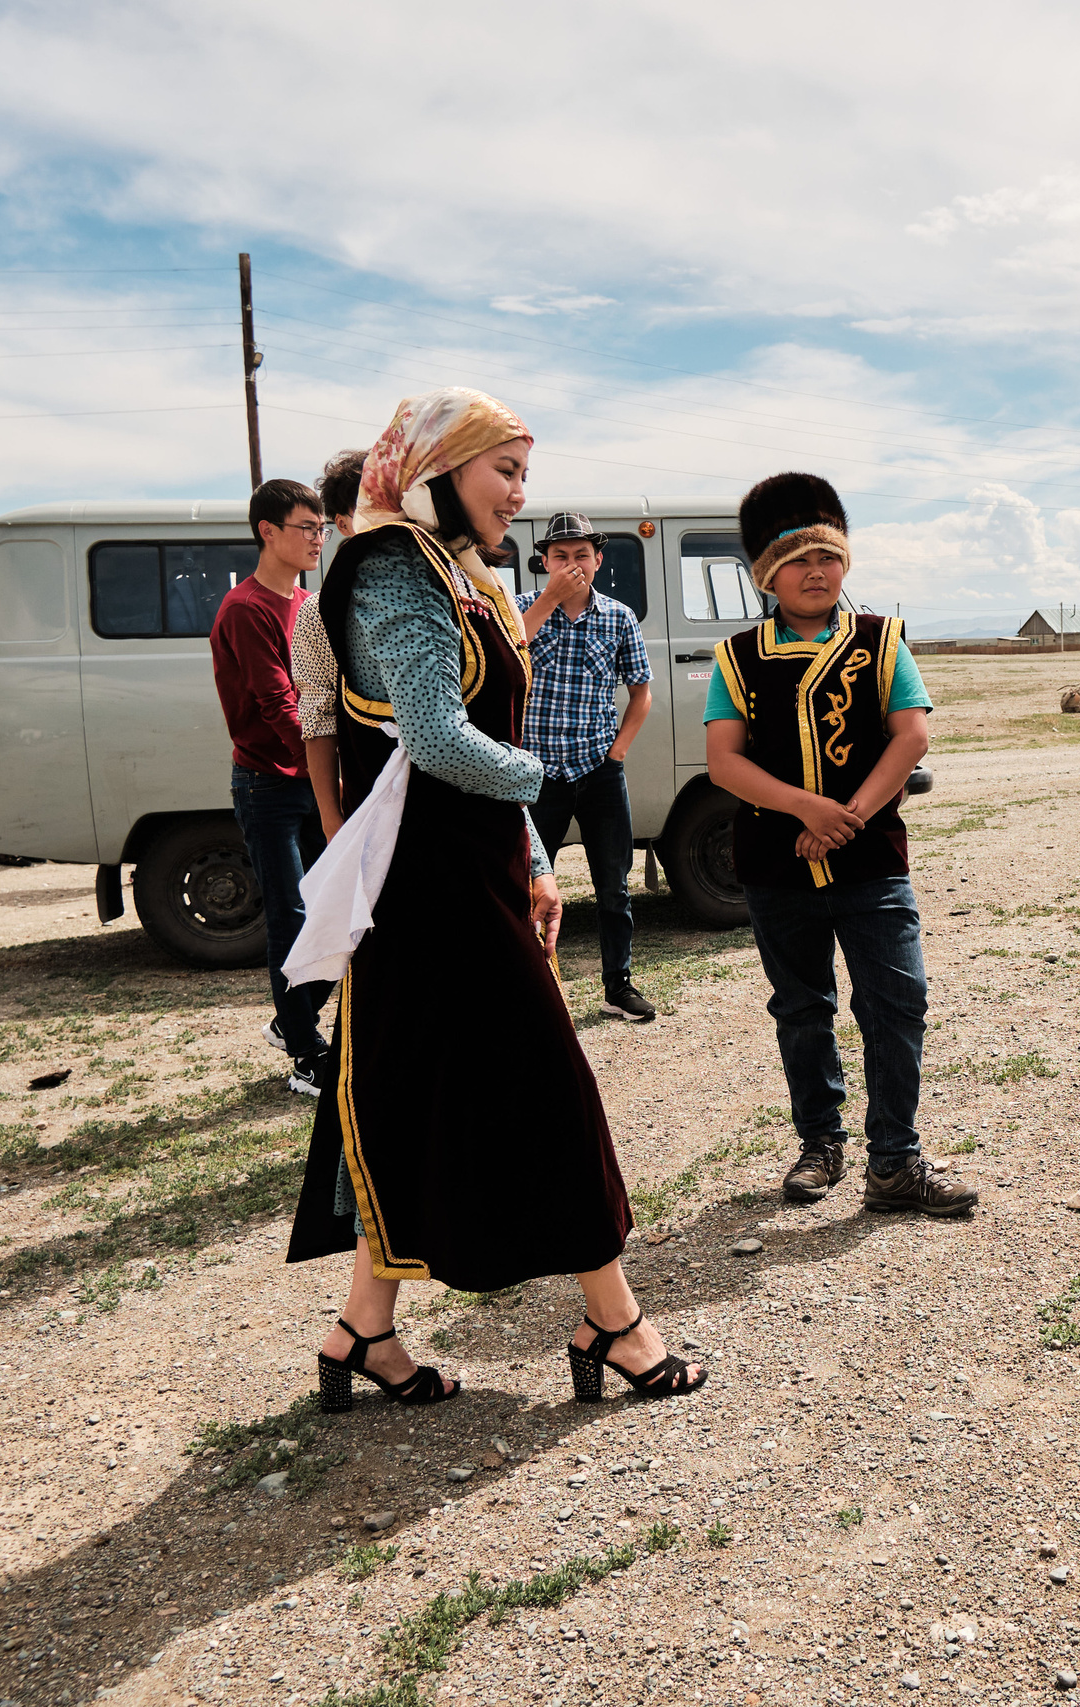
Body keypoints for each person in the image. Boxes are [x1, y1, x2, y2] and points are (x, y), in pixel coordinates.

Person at [286, 386, 704, 1407]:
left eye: (524, 474)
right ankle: (616, 1322)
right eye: (504, 472)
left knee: (416, 1092)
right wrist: (542, 790)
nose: (520, 496)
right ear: (437, 469)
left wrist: (531, 856)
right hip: (430, 888)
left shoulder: (450, 567)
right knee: (545, 1087)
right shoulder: (388, 567)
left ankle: (360, 1333)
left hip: (468, 870)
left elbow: (478, 732)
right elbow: (434, 738)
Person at [702, 473, 966, 1215]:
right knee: (801, 1006)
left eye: (828, 557)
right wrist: (806, 810)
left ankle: (896, 1158)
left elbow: (911, 735)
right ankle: (821, 1143)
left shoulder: (881, 641)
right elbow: (725, 759)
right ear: (768, 574)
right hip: (776, 866)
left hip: (870, 858)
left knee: (896, 1001)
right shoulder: (738, 656)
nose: (816, 572)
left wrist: (845, 816)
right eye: (796, 560)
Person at [211, 477, 335, 1096]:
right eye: (306, 528)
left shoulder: (307, 603)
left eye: (322, 528)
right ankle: (305, 1051)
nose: (318, 539)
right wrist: (328, 771)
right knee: (290, 913)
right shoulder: (247, 608)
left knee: (340, 904)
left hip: (310, 780)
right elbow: (278, 704)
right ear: (268, 532)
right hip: (267, 785)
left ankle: (292, 1019)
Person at [517, 512, 659, 1023]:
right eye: (560, 556)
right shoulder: (521, 608)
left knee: (613, 886)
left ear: (599, 560)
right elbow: (509, 657)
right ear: (543, 563)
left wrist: (617, 752)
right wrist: (550, 599)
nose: (571, 564)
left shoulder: (619, 617)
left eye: (581, 555)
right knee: (528, 883)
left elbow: (641, 693)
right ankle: (529, 987)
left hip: (599, 769)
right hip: (536, 773)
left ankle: (618, 986)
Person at [291, 448, 367, 844]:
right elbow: (318, 719)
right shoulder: (319, 612)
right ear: (343, 523)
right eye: (370, 504)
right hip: (371, 800)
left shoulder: (449, 588)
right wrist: (331, 818)